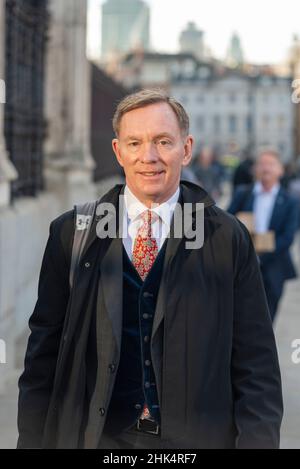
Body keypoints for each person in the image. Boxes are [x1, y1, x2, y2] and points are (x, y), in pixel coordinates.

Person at [18, 90, 283, 449]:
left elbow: (257, 363)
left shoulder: (226, 237)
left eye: (163, 141)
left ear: (186, 149)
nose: (149, 157)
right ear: (117, 151)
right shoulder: (71, 233)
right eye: (135, 142)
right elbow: (41, 360)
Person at [228, 149, 299, 322]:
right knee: (240, 319)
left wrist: (261, 257)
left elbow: (287, 237)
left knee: (267, 320)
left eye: (271, 164)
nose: (266, 168)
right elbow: (226, 223)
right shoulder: (243, 194)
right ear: (255, 169)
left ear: (280, 170)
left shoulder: (291, 201)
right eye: (262, 164)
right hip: (243, 267)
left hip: (274, 268)